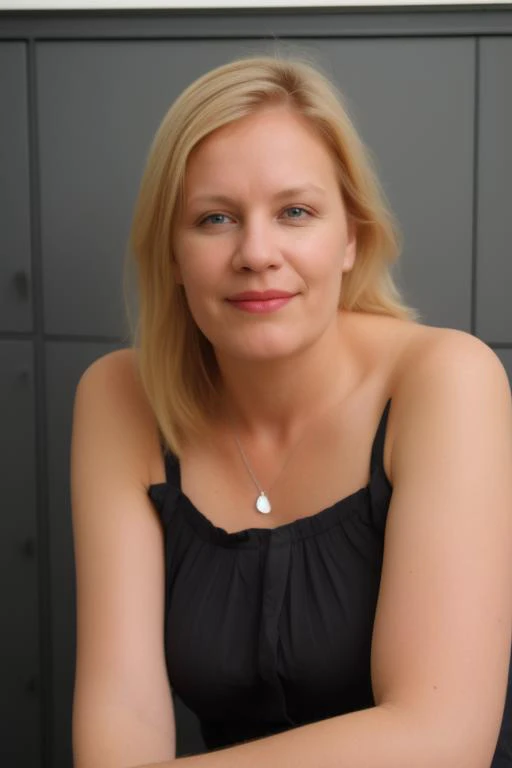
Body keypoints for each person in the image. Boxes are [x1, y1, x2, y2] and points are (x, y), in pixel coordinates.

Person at [70, 54, 512, 768]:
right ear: (173, 257)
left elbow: (440, 738)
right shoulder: (118, 397)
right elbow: (120, 717)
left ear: (351, 238)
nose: (257, 252)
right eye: (215, 218)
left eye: (295, 212)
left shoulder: (446, 382)